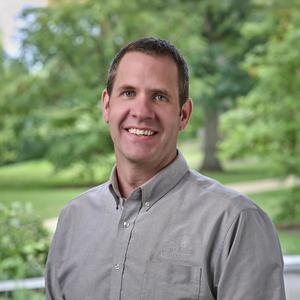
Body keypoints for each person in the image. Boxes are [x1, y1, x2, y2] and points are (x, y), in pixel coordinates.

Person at [45, 37, 286, 300]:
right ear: (107, 105)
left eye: (159, 97)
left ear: (183, 115)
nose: (141, 111)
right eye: (128, 93)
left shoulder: (235, 222)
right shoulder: (73, 220)